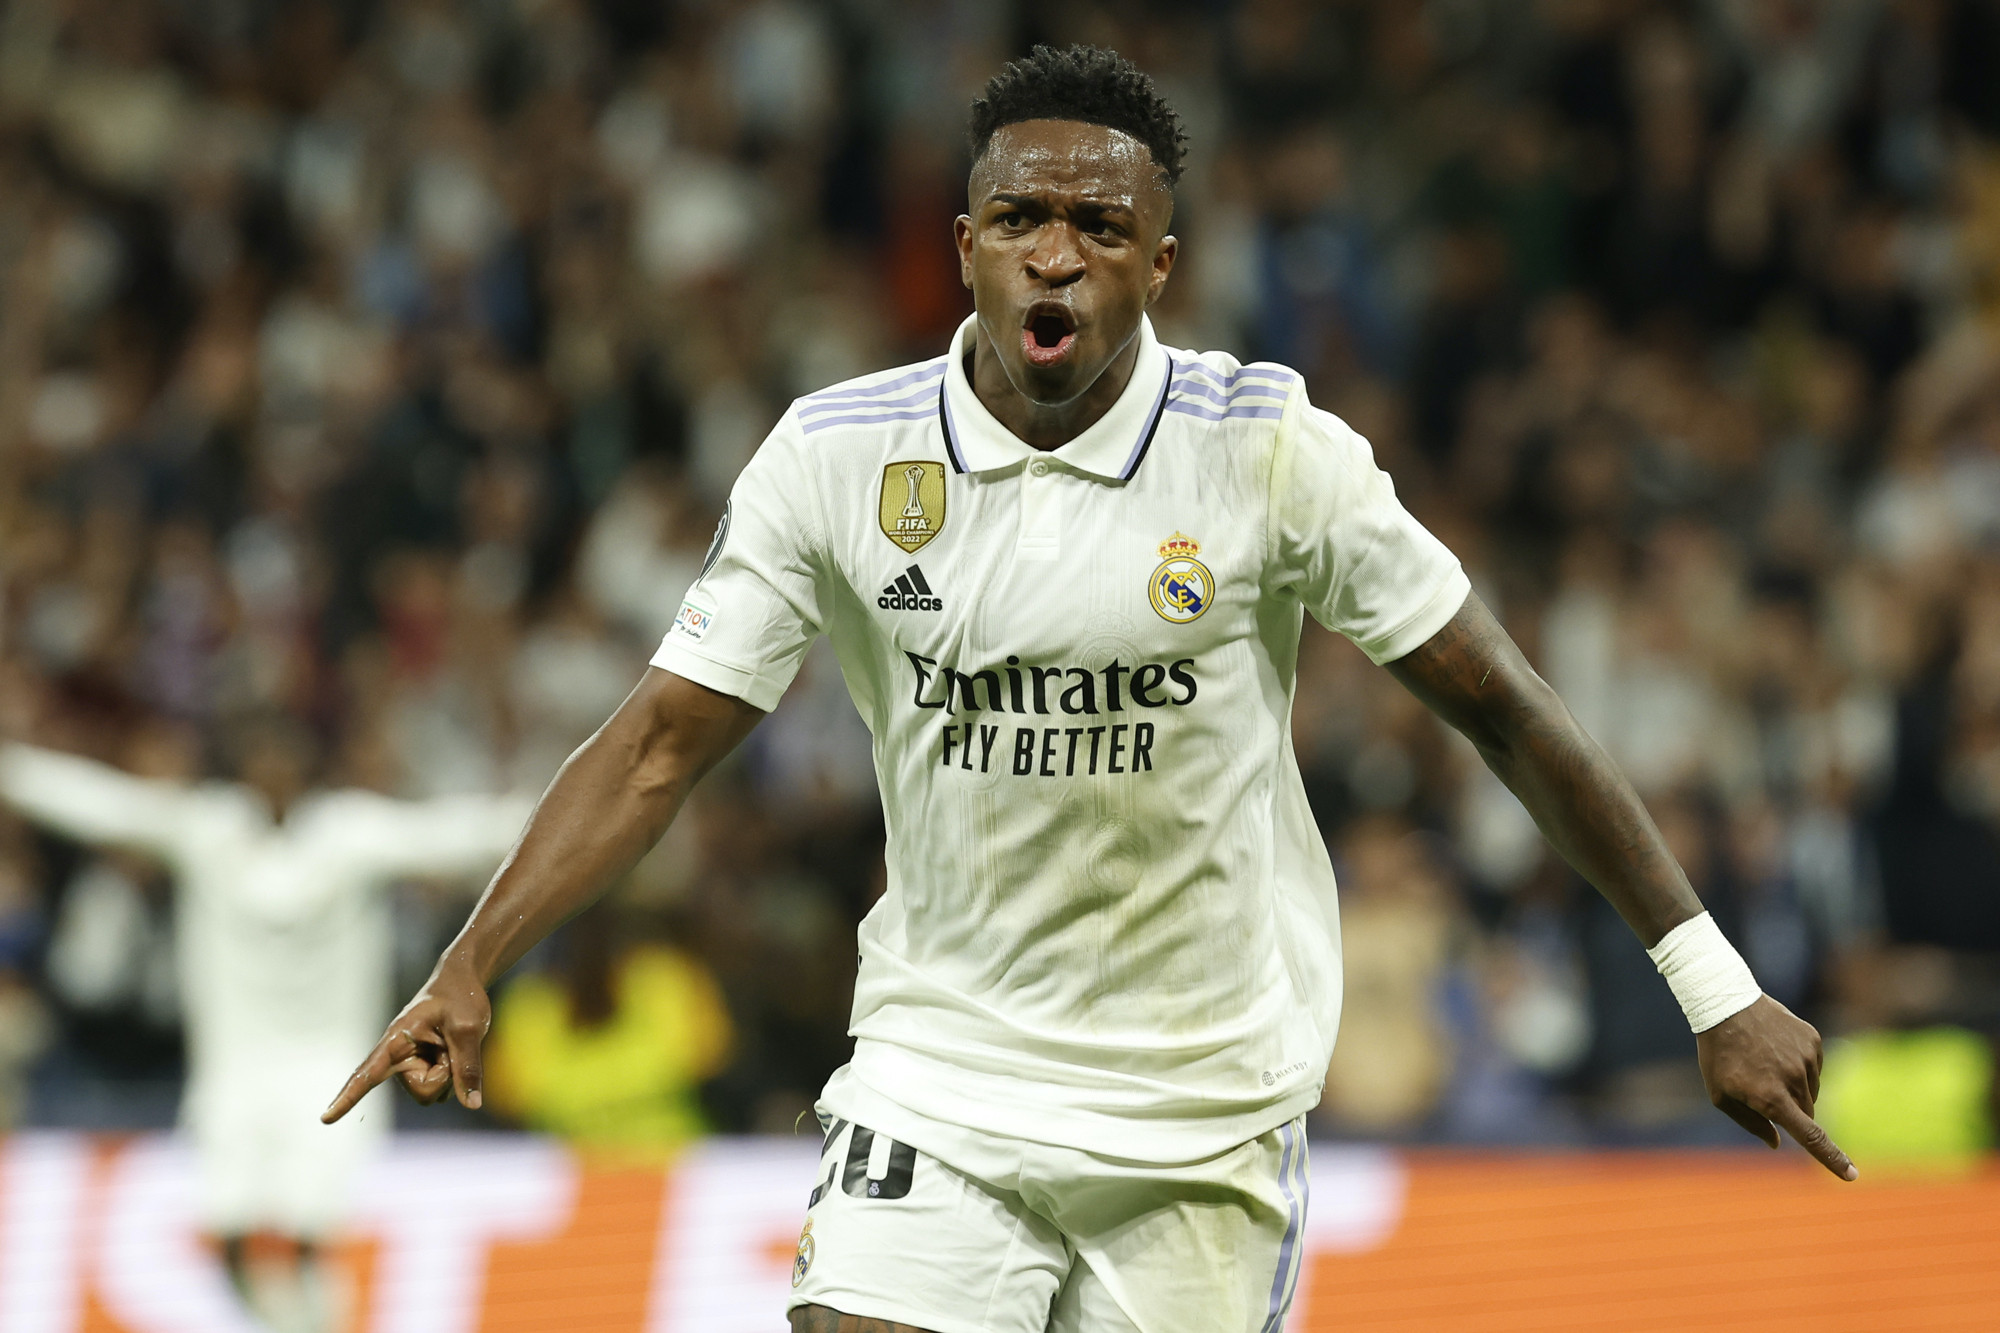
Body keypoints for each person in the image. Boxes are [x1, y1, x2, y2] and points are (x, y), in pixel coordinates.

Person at [325, 46, 1854, 1333]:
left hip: (1201, 1112)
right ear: (968, 240)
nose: (1057, 252)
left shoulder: (1266, 448)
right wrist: (473, 958)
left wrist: (1712, 988)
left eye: (1101, 228)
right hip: (944, 1074)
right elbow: (661, 743)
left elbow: (1506, 703)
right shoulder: (841, 455)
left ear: (1160, 262)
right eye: (1023, 218)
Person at [0, 715, 529, 1333]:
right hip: (235, 1071)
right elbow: (107, 807)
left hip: (333, 1072)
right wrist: (16, 771)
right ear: (241, 768)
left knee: (313, 1242)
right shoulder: (209, 830)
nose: (273, 771)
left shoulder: (350, 835)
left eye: (286, 757)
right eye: (260, 757)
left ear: (308, 769)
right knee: (230, 1240)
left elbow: (453, 835)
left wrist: (556, 811)